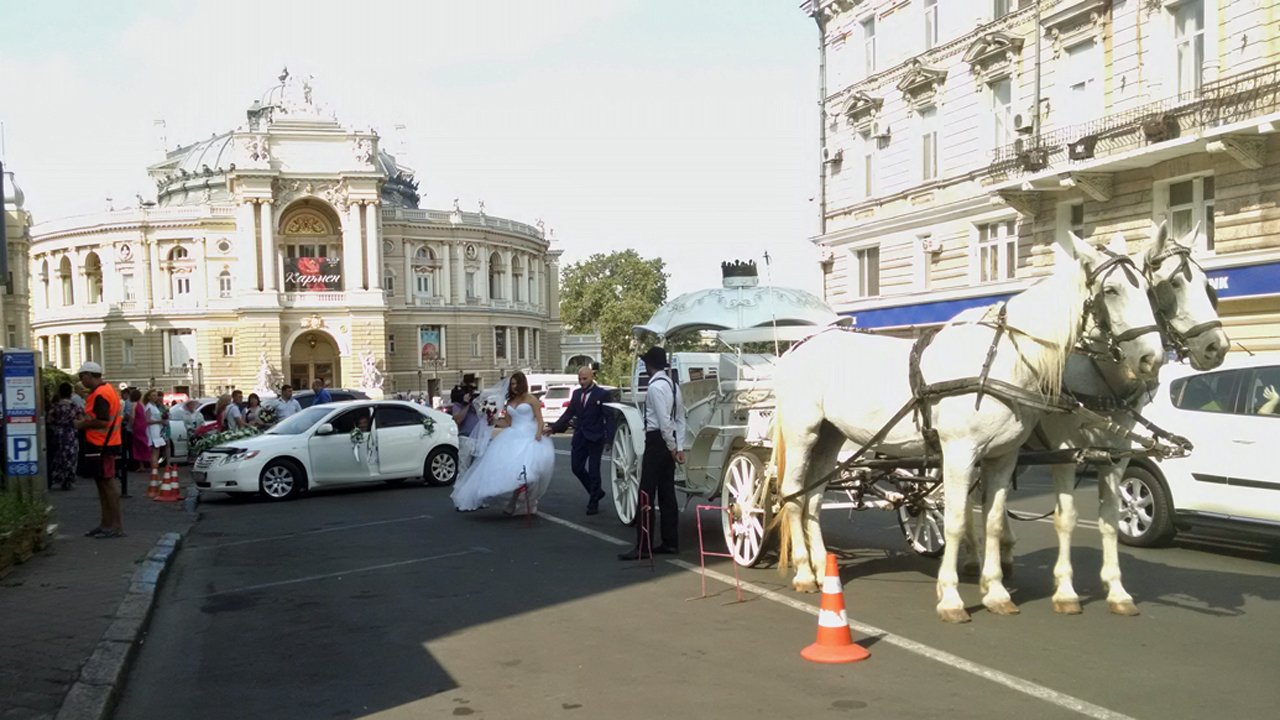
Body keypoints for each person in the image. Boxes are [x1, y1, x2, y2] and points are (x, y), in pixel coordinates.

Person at [450, 371, 555, 514]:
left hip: (529, 436)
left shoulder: (531, 399)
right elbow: (508, 422)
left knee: (528, 472)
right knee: (514, 472)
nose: (513, 386)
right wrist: (492, 420)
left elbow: (540, 419)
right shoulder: (510, 402)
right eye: (512, 384)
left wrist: (537, 434)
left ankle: (526, 503)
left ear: (522, 384)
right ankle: (516, 503)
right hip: (513, 436)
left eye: (516, 383)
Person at [619, 347, 686, 560]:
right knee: (667, 493)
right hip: (669, 440)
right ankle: (670, 541)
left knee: (646, 492)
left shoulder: (656, 387)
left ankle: (644, 545)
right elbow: (680, 419)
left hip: (658, 441)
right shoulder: (674, 386)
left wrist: (671, 445)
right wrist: (679, 446)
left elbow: (664, 421)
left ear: (649, 365)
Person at [546, 367, 615, 515]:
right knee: (576, 468)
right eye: (580, 379)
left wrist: (609, 439)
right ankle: (595, 491)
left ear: (592, 377)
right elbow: (568, 413)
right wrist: (553, 428)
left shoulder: (602, 394)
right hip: (580, 436)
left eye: (585, 379)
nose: (582, 382)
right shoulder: (576, 394)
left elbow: (609, 417)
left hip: (595, 437)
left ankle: (593, 502)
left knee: (594, 470)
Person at [74, 362, 124, 539]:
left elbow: (102, 421)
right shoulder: (106, 390)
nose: (81, 381)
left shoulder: (100, 394)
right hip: (104, 443)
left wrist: (81, 424)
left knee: (107, 485)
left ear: (89, 375)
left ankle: (115, 526)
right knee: (102, 484)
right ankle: (106, 524)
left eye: (82, 377)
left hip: (102, 444)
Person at [47, 383, 79, 491]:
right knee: (71, 456)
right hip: (70, 433)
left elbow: (49, 420)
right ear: (70, 393)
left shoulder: (55, 406)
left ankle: (58, 477)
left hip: (58, 433)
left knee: (58, 456)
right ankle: (69, 479)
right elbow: (82, 419)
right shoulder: (74, 407)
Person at [451, 385, 482, 474]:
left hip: (478, 438)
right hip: (465, 439)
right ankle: (462, 487)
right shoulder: (457, 406)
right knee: (464, 469)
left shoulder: (475, 405)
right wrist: (466, 404)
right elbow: (458, 420)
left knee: (477, 469)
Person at [144, 390, 167, 478]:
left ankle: (155, 468)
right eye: (153, 395)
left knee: (157, 450)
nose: (155, 397)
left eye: (156, 395)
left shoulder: (154, 406)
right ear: (149, 397)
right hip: (152, 430)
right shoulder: (149, 407)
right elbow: (147, 420)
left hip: (157, 430)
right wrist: (160, 421)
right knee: (154, 450)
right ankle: (154, 470)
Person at [129, 388, 149, 471]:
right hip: (144, 425)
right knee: (145, 443)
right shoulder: (143, 404)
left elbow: (132, 417)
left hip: (137, 426)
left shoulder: (133, 405)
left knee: (138, 444)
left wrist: (131, 425)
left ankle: (141, 465)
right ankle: (148, 461)